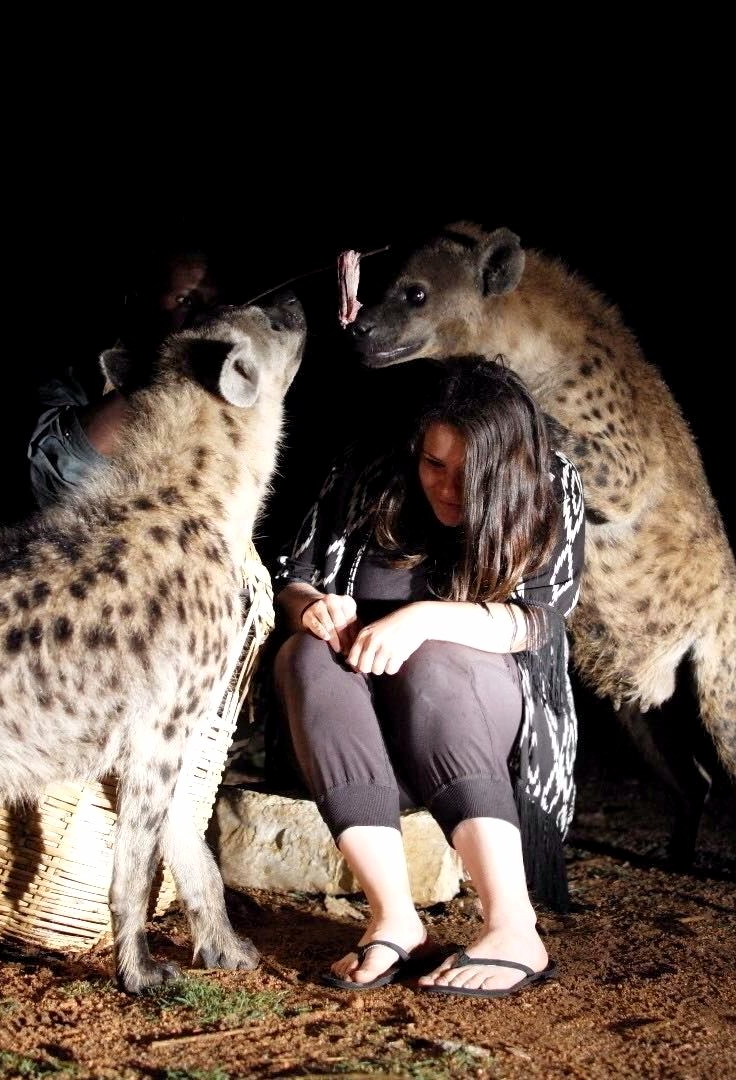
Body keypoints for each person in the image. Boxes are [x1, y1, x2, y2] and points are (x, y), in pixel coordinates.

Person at [273, 357, 587, 996]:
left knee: (434, 658)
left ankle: (513, 926)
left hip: (473, 701)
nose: (446, 488)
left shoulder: (551, 482)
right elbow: (294, 575)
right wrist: (314, 608)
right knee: (304, 655)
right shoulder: (371, 469)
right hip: (359, 703)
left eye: (470, 474)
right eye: (433, 464)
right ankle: (393, 919)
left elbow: (541, 621)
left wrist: (423, 619)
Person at [27, 246, 221, 508]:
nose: (201, 319)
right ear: (141, 298)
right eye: (185, 301)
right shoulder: (79, 370)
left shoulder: (211, 393)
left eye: (210, 306)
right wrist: (171, 372)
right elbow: (54, 469)